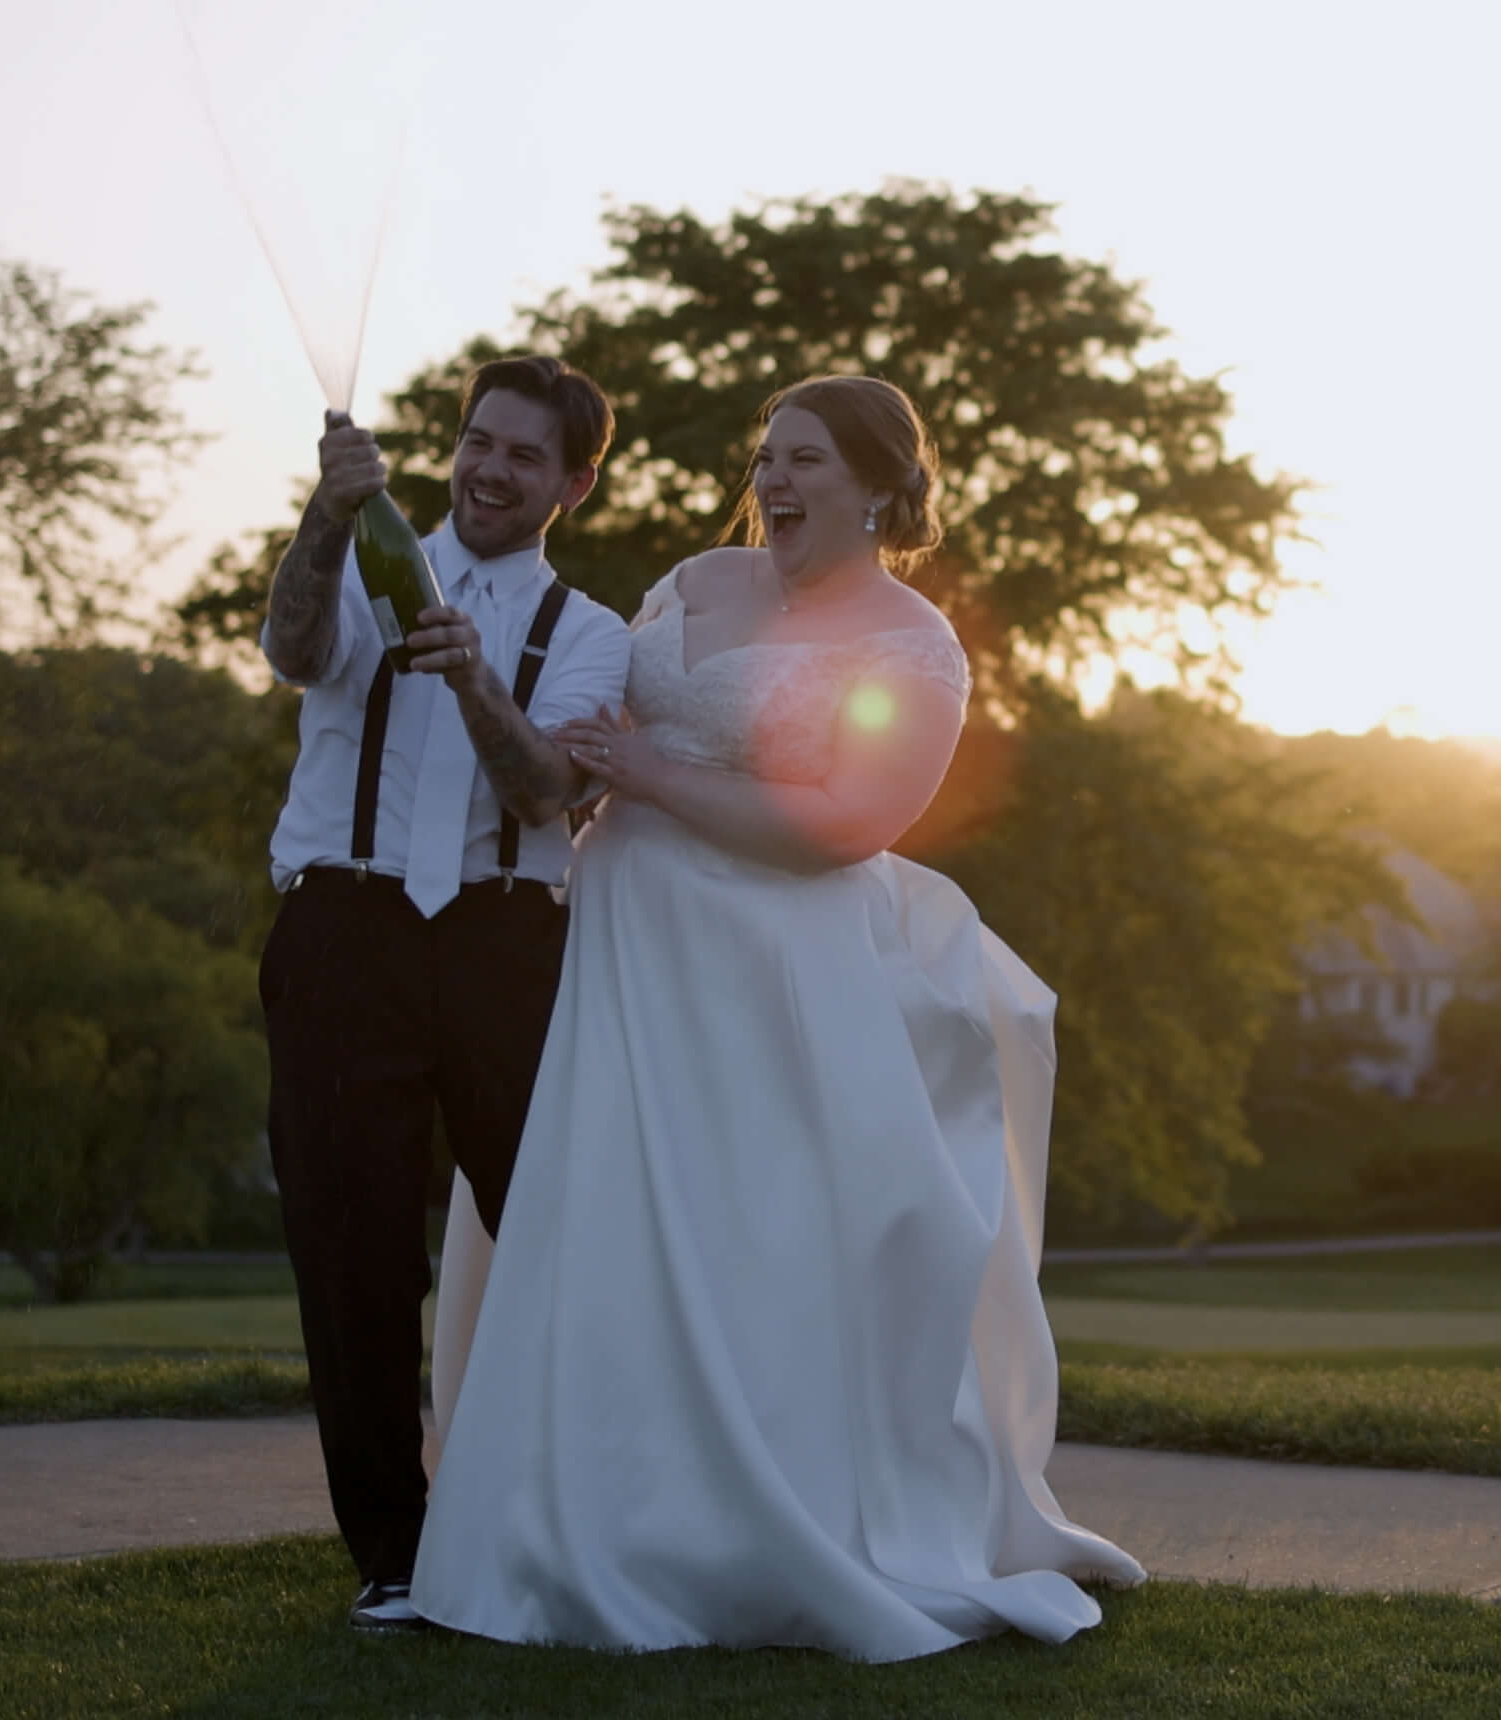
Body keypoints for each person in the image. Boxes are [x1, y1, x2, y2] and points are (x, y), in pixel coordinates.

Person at [411, 375, 1138, 1662]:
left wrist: (651, 772)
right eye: (767, 457)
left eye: (805, 459)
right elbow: (594, 728)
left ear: (877, 486)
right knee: (602, 1220)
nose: (774, 481)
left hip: (775, 972)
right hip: (619, 942)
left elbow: (848, 826)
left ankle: (765, 1521)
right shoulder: (693, 579)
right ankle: (569, 1511)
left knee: (756, 1242)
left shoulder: (913, 646)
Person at [255, 355, 631, 1634]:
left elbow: (545, 793)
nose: (489, 469)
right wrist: (322, 521)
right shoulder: (370, 557)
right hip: (342, 929)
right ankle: (393, 1554)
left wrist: (474, 675)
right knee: (350, 1249)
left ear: (573, 483)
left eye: (526, 455)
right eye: (480, 441)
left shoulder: (590, 633)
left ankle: (549, 1514)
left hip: (505, 947)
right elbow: (293, 650)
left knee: (548, 1238)